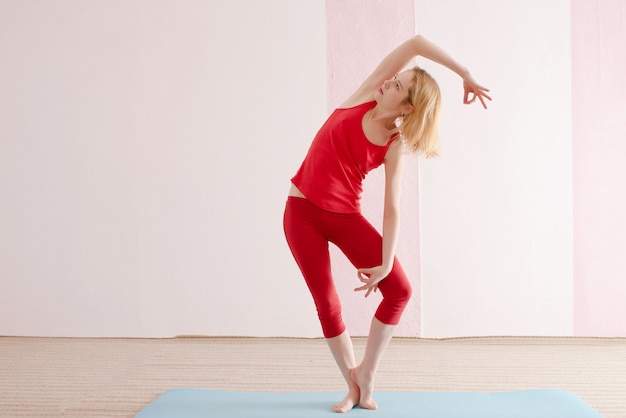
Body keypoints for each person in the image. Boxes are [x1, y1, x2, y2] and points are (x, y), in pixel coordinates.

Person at [283, 34, 491, 413]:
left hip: (345, 217)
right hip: (301, 215)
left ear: (409, 107)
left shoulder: (394, 143)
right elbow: (415, 43)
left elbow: (392, 208)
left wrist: (385, 260)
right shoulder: (364, 96)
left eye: (398, 85)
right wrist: (464, 72)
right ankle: (352, 383)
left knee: (399, 290)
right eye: (394, 78)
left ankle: (367, 376)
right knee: (327, 302)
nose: (388, 81)